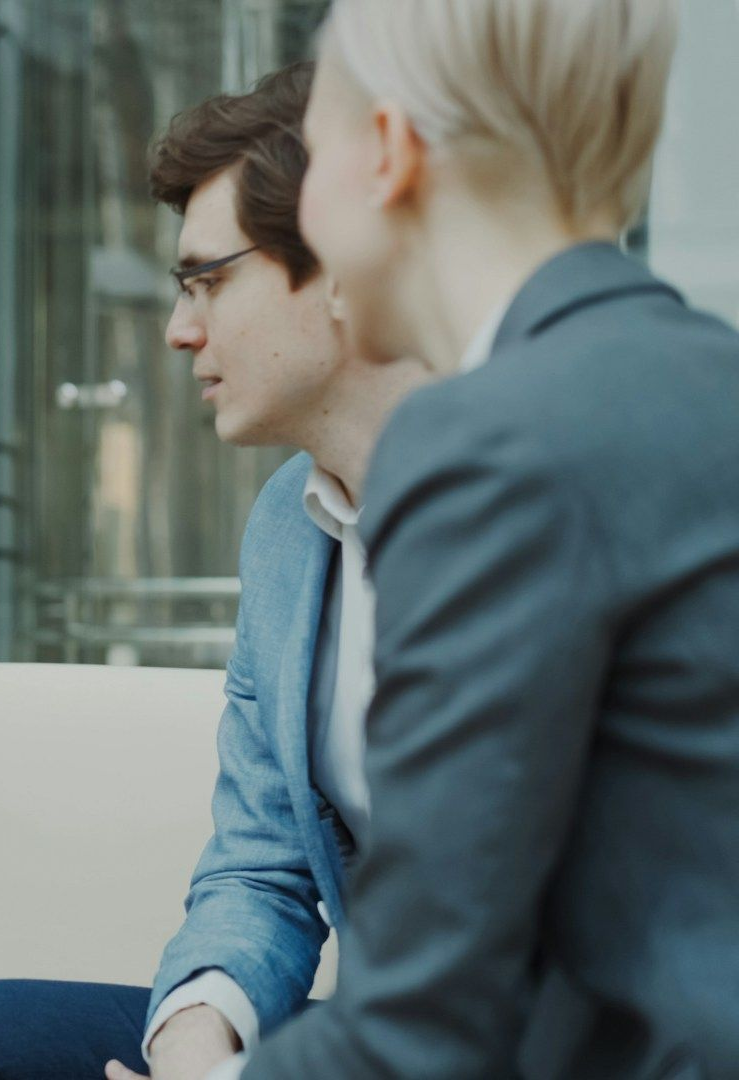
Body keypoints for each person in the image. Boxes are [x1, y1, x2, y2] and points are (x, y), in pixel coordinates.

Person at [218, 1, 739, 1076]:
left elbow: (424, 1022)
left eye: (311, 158)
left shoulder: (482, 442)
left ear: (389, 157)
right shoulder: (704, 384)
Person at [0, 62, 430, 1080]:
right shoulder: (287, 530)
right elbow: (263, 867)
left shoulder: (537, 500)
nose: (180, 328)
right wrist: (197, 1039)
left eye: (208, 279)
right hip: (378, 1030)